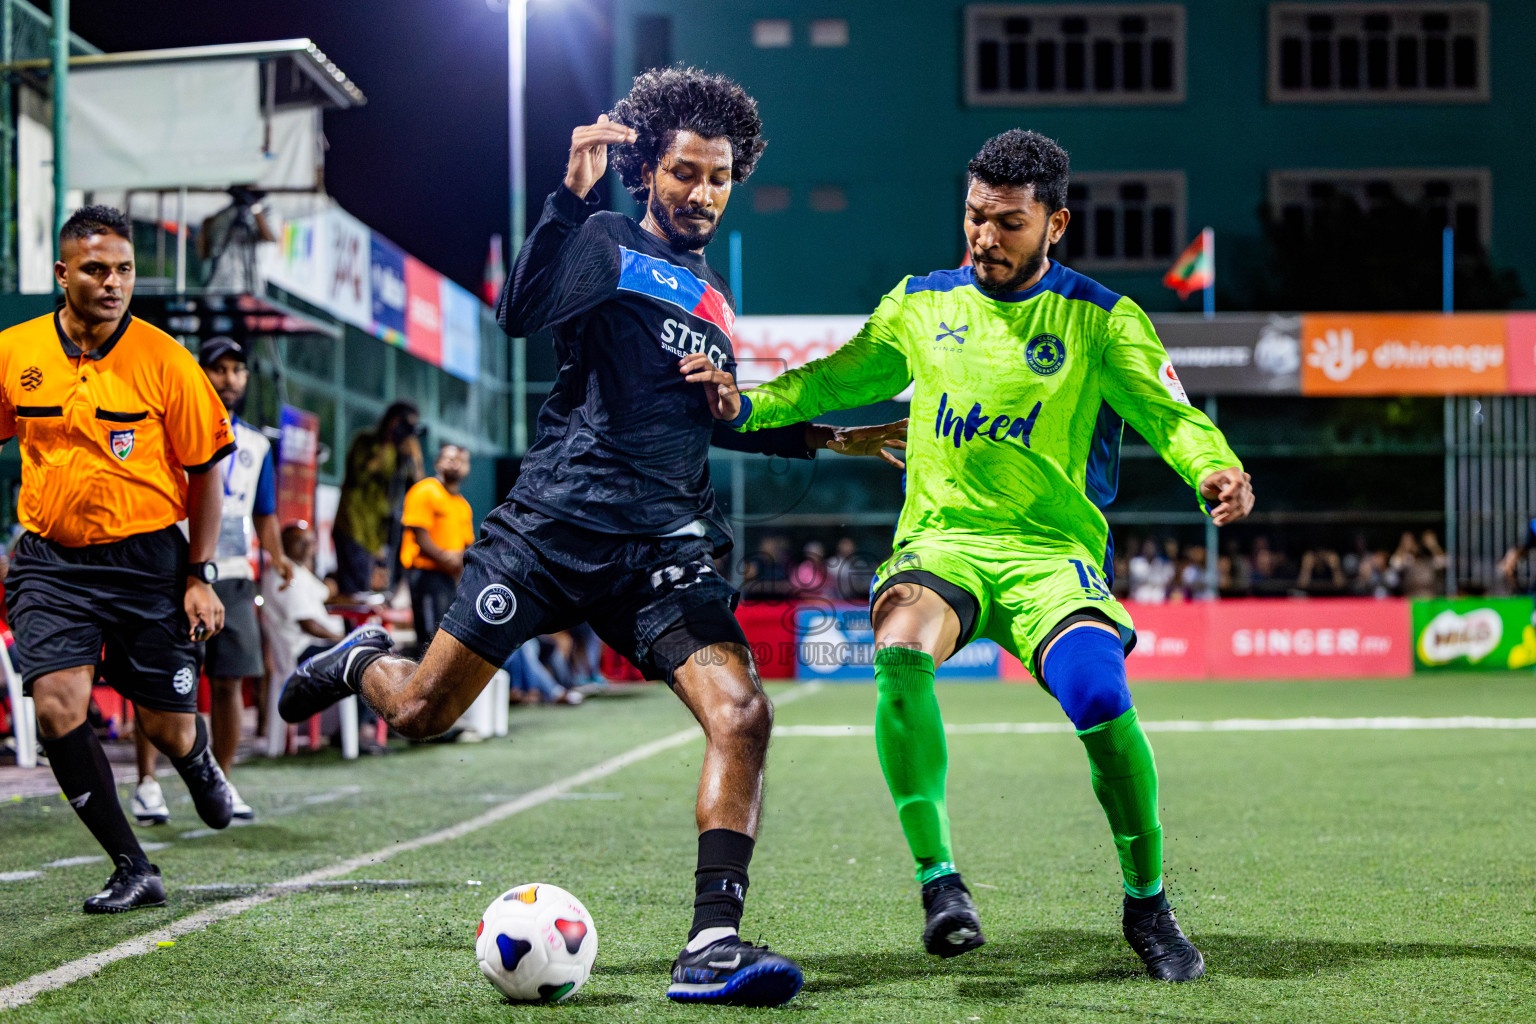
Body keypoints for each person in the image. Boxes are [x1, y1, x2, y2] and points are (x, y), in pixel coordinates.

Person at [279, 68, 903, 1007]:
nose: (702, 192)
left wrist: (824, 434)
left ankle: (713, 941)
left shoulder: (713, 297)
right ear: (648, 171)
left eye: (719, 176)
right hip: (553, 530)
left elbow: (712, 415)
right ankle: (360, 659)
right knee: (417, 715)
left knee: (743, 715)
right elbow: (521, 312)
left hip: (663, 549)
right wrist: (568, 197)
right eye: (685, 172)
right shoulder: (608, 241)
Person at [715, 130, 1254, 981]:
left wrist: (1214, 467)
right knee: (898, 651)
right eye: (974, 217)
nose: (984, 237)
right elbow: (826, 382)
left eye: (1008, 222)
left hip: (1051, 557)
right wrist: (739, 405)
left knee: (1101, 697)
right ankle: (941, 884)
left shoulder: (1103, 320)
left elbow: (1174, 415)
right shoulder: (920, 306)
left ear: (1055, 224)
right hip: (942, 544)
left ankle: (1147, 903)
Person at [0, 205, 237, 912]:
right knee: (56, 706)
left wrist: (199, 575)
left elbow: (206, 476)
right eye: (97, 269)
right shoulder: (15, 351)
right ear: (62, 273)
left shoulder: (166, 360)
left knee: (165, 726)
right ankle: (132, 865)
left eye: (124, 270)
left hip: (149, 564)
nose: (113, 283)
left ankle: (195, 762)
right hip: (50, 563)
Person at [131, 336, 293, 826]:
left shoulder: (258, 444)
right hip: (173, 568)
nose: (229, 378)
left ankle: (221, 779)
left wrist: (279, 557)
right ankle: (147, 784)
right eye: (218, 369)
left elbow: (263, 512)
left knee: (230, 681)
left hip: (233, 575)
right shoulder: (165, 425)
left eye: (237, 370)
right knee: (155, 681)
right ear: (199, 373)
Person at [333, 401, 424, 597]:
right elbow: (357, 476)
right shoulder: (365, 441)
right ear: (392, 421)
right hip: (353, 526)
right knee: (354, 591)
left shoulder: (403, 454)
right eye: (404, 425)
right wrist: (387, 445)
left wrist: (415, 458)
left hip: (377, 534)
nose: (407, 431)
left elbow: (417, 489)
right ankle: (355, 628)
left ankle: (367, 625)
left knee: (373, 590)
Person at [400, 443, 475, 654]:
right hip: (426, 575)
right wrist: (446, 557)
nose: (456, 463)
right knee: (429, 639)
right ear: (438, 462)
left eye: (461, 460)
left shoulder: (462, 505)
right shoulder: (425, 490)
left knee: (446, 637)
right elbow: (419, 535)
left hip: (449, 579)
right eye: (450, 458)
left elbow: (467, 544)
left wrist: (460, 563)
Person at [261, 525, 345, 684]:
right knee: (363, 659)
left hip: (315, 644)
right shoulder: (283, 574)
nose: (308, 546)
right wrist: (342, 639)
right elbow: (309, 625)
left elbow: (327, 592)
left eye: (311, 541)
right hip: (301, 651)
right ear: (283, 544)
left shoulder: (299, 570)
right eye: (300, 541)